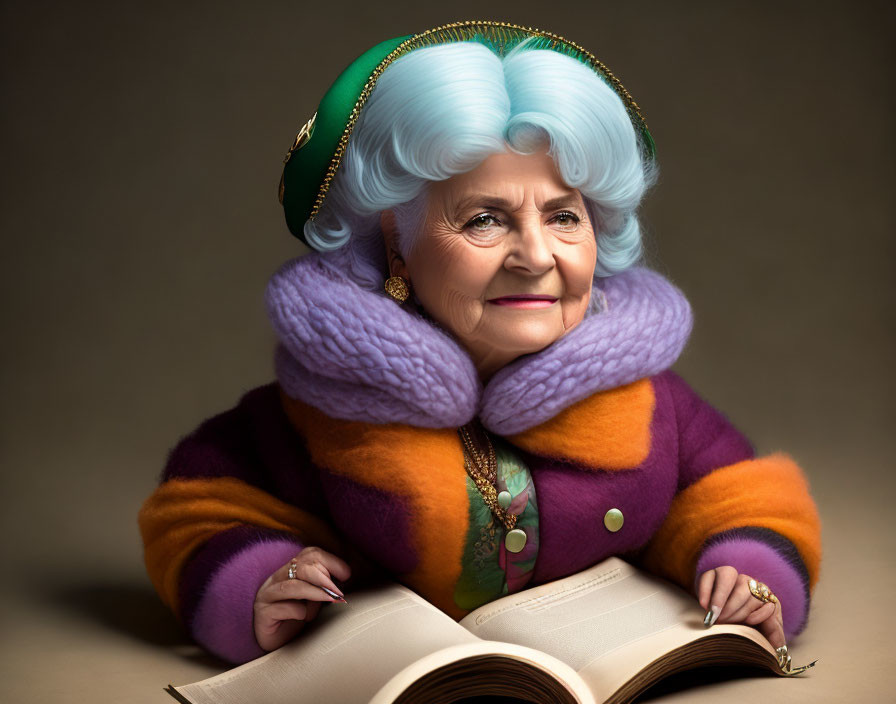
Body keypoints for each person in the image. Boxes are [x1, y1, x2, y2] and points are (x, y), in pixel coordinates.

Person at [139, 20, 821, 666]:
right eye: (485, 219)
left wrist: (748, 571)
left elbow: (743, 494)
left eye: (562, 216)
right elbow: (197, 508)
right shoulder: (322, 407)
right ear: (393, 240)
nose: (535, 256)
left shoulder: (648, 402)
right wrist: (255, 585)